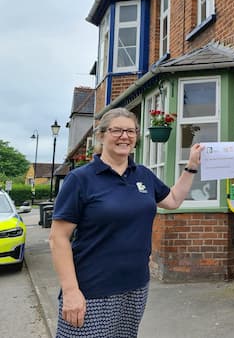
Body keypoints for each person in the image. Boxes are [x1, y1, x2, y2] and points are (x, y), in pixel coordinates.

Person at [49, 107, 202, 337]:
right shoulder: (80, 179)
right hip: (91, 289)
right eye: (117, 130)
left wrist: (191, 167)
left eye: (131, 131)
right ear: (101, 135)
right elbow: (58, 238)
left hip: (135, 287)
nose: (125, 136)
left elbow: (172, 200)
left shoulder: (143, 175)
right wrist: (70, 291)